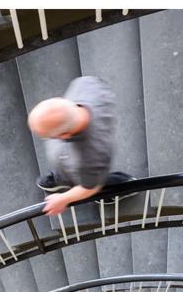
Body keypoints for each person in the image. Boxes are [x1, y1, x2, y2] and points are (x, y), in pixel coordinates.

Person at [28, 76, 133, 217]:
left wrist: (63, 199)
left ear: (64, 135)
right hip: (75, 163)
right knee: (66, 166)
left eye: (48, 137)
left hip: (91, 173)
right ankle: (60, 178)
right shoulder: (85, 84)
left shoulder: (89, 157)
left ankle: (121, 186)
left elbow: (90, 187)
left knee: (94, 179)